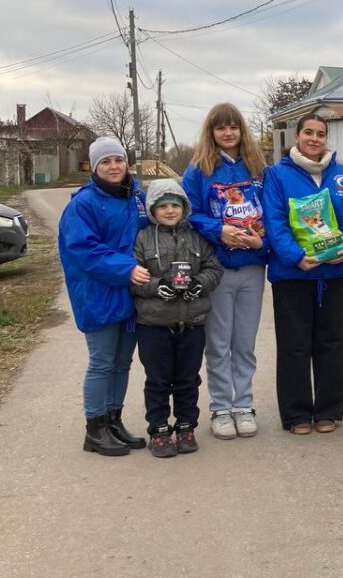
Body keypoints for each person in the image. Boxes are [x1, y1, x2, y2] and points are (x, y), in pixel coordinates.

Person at [261, 113, 343, 435]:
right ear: (297, 136)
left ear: (326, 138)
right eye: (309, 132)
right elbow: (274, 220)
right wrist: (296, 256)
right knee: (294, 346)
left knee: (331, 344)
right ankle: (296, 414)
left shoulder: (341, 175)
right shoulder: (277, 175)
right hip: (293, 275)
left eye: (321, 134)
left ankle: (328, 411)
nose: (315, 139)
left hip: (331, 275)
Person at [58, 137, 150, 456]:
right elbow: (82, 249)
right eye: (106, 162)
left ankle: (113, 420)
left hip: (131, 292)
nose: (113, 166)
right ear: (94, 167)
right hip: (99, 293)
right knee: (102, 361)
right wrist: (126, 268)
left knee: (122, 362)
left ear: (127, 163)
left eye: (118, 160)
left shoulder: (137, 198)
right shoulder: (83, 204)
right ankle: (95, 429)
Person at [182, 102, 268, 440]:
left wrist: (263, 243)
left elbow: (274, 211)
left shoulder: (258, 166)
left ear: (241, 129)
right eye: (221, 127)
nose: (228, 132)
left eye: (233, 126)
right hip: (217, 267)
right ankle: (220, 407)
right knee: (218, 343)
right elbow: (189, 212)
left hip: (252, 267)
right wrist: (219, 230)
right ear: (211, 132)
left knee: (244, 342)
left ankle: (243, 405)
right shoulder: (199, 169)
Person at [130, 180, 224, 458]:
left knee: (188, 379)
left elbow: (213, 268)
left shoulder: (197, 236)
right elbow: (133, 278)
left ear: (184, 207)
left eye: (175, 205)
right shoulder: (142, 239)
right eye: (163, 206)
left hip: (192, 322)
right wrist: (156, 286)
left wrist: (199, 283)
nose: (170, 211)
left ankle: (186, 426)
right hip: (154, 324)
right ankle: (159, 429)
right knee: (157, 380)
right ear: (152, 210)